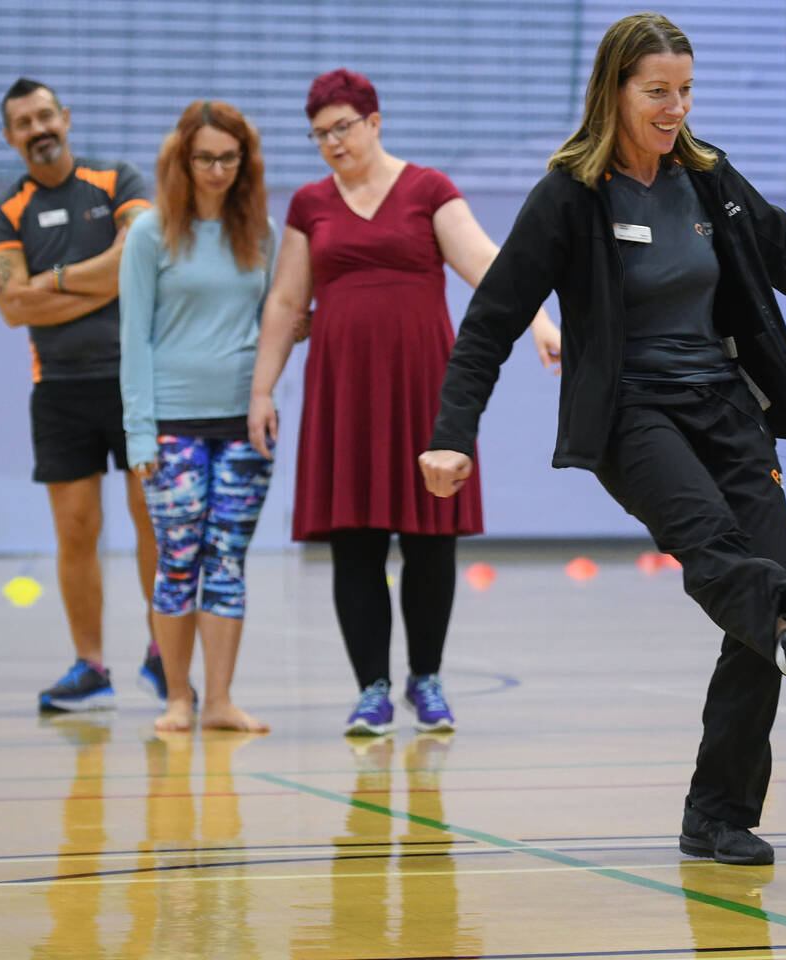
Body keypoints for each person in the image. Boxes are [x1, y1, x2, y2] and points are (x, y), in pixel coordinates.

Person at [420, 14, 786, 866]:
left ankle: (719, 814)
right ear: (615, 91)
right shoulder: (569, 196)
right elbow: (491, 321)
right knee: (717, 547)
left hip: (726, 406)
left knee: (759, 601)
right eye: (657, 92)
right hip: (631, 413)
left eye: (685, 91)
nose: (674, 108)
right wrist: (451, 433)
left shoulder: (708, 179)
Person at [248, 69, 561, 737]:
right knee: (353, 542)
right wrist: (261, 389)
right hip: (344, 395)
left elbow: (488, 265)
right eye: (319, 134)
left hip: (422, 386)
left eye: (343, 128)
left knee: (429, 537)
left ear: (374, 121)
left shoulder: (428, 189)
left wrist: (538, 319)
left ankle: (427, 677)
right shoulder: (309, 204)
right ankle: (372, 689)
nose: (332, 143)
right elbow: (283, 301)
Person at [0, 77, 178, 712]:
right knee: (75, 531)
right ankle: (90, 666)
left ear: (65, 118)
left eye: (46, 115)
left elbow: (139, 259)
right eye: (24, 122)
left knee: (151, 522)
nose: (38, 129)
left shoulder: (117, 181)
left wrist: (56, 282)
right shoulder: (5, 212)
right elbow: (12, 307)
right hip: (59, 391)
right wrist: (107, 281)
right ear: (11, 137)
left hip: (134, 380)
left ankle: (164, 656)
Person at [119, 101, 277, 734]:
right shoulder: (150, 234)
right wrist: (138, 432)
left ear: (245, 163)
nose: (217, 170)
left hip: (243, 426)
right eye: (205, 158)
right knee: (178, 558)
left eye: (229, 158)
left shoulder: (260, 234)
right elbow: (135, 339)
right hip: (171, 427)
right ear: (182, 161)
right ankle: (178, 698)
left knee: (228, 560)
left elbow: (274, 323)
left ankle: (219, 700)